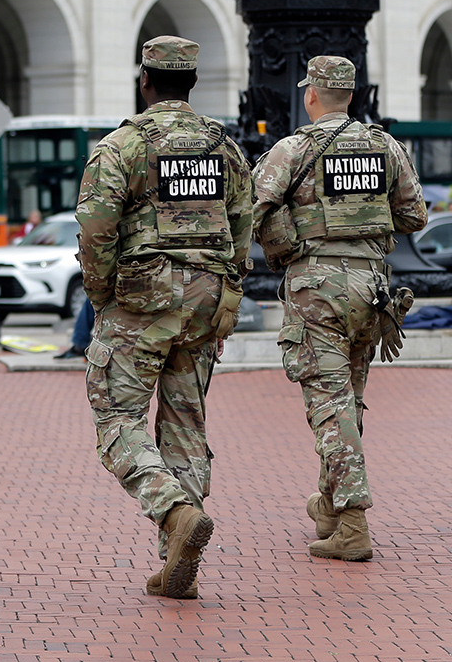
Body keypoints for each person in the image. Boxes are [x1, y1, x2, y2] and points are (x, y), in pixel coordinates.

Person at [76, 36, 254, 600]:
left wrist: (102, 297)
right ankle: (178, 557)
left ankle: (174, 512)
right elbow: (243, 226)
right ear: (193, 83)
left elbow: (97, 230)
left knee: (117, 417)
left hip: (141, 299)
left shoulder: (123, 146)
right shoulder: (224, 149)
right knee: (185, 425)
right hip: (206, 298)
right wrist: (226, 296)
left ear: (145, 80)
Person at [252, 55, 427, 562]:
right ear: (352, 94)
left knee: (329, 406)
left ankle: (352, 524)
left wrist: (288, 243)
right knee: (346, 402)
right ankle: (329, 506)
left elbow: (257, 209)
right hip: (370, 289)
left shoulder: (294, 149)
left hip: (317, 288)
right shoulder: (384, 146)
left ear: (311, 95)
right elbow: (414, 215)